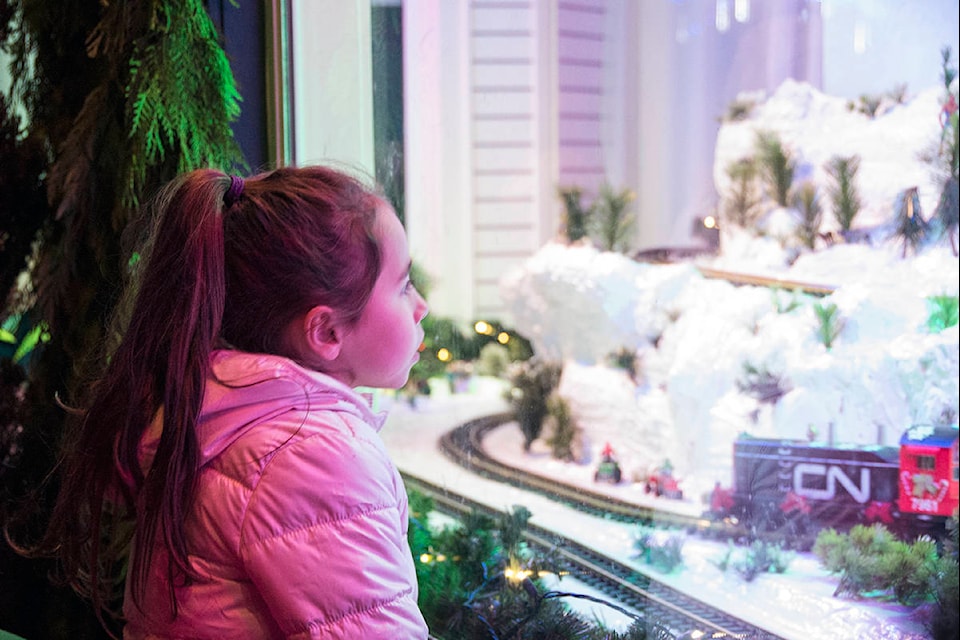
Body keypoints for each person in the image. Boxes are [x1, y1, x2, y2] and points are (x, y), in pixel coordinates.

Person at [12, 166, 431, 638]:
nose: (422, 307)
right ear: (326, 331)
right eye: (403, 285)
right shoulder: (312, 454)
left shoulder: (212, 410)